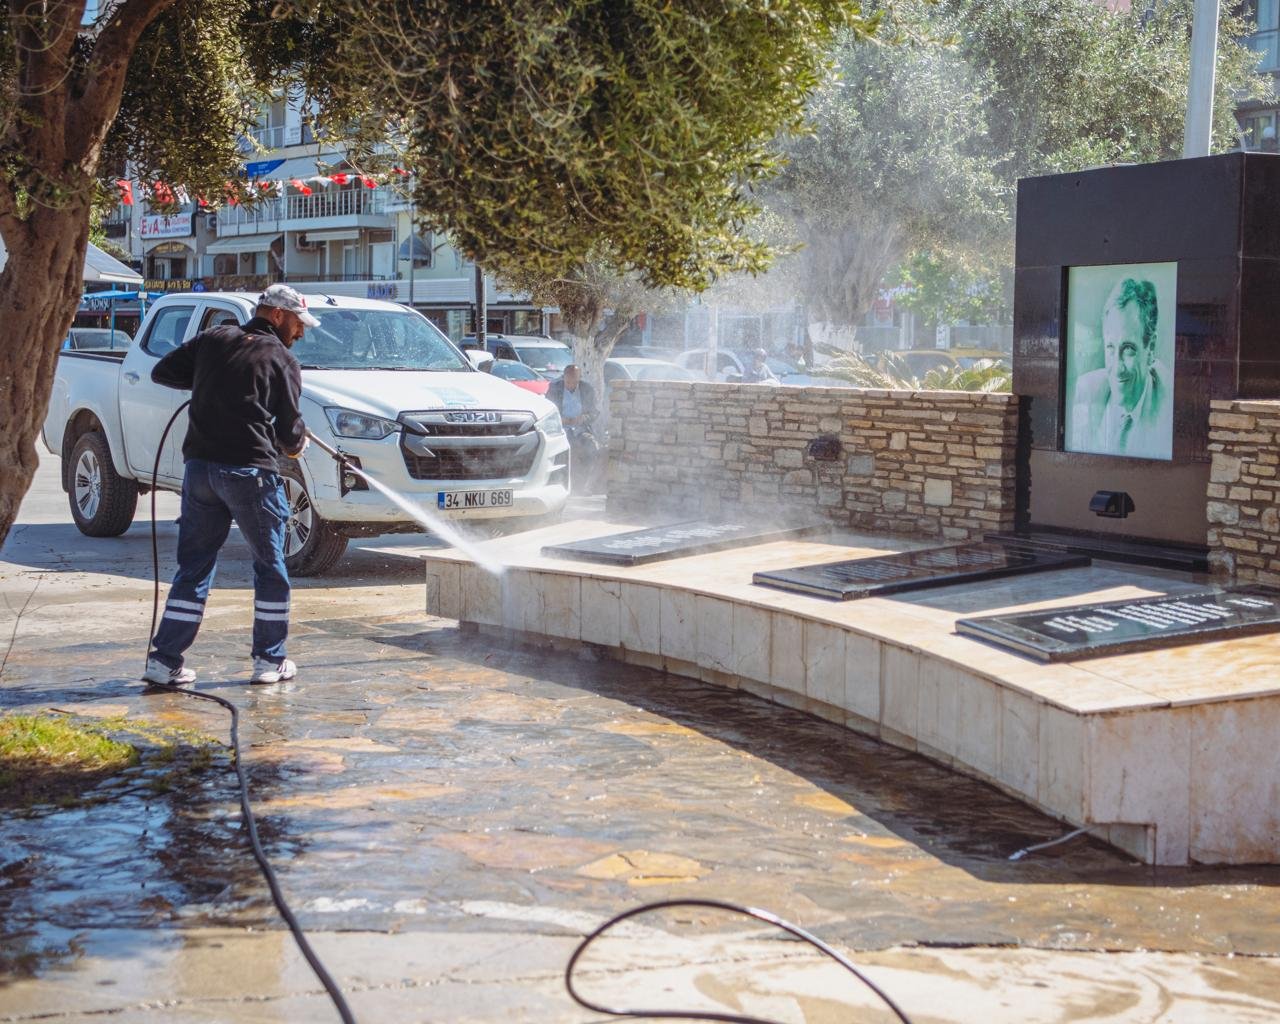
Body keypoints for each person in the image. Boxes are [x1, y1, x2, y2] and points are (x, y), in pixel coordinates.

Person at [142, 284, 317, 687]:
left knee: (194, 567)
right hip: (249, 473)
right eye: (298, 322)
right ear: (276, 315)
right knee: (271, 567)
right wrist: (297, 442)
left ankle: (164, 660)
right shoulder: (281, 358)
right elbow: (291, 436)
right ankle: (270, 661)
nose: (301, 332)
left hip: (201, 470)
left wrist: (213, 382)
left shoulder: (213, 338)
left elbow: (163, 371)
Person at [1068, 277, 1171, 459]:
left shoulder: (1169, 403)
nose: (1117, 368)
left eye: (1128, 349)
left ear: (1151, 348)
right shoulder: (1086, 391)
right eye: (1110, 348)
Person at [547, 364, 601, 491]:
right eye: (568, 382)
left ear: (579, 379)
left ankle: (584, 485)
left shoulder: (587, 389)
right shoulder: (555, 388)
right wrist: (560, 419)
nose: (571, 385)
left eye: (575, 382)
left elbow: (594, 413)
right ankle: (559, 483)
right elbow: (548, 412)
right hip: (561, 429)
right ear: (563, 378)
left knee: (592, 447)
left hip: (580, 429)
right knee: (560, 451)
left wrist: (582, 418)